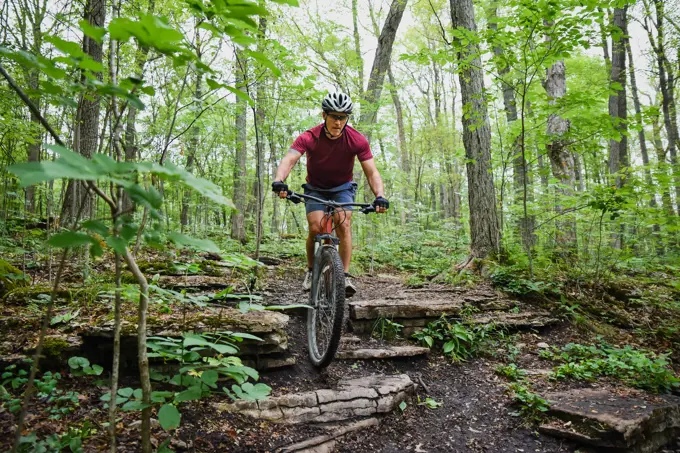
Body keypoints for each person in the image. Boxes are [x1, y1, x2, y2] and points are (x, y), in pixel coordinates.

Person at [272, 92, 389, 297]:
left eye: (342, 117)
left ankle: (344, 276)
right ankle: (310, 271)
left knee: (343, 223)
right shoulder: (309, 137)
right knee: (316, 228)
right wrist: (279, 181)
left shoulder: (356, 140)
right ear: (324, 115)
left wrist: (380, 195)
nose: (338, 121)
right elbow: (289, 160)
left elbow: (372, 171)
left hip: (342, 188)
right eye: (334, 116)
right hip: (315, 188)